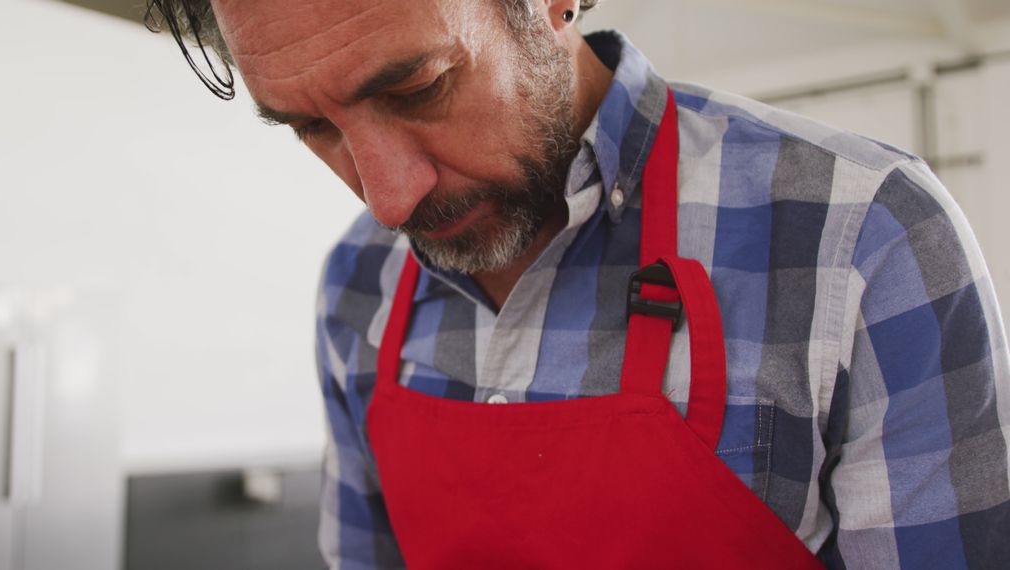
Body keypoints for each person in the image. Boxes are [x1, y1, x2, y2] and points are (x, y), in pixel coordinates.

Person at [145, 0, 1010, 568]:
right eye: (311, 128)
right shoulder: (360, 283)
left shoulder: (865, 238)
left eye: (418, 88)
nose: (387, 196)